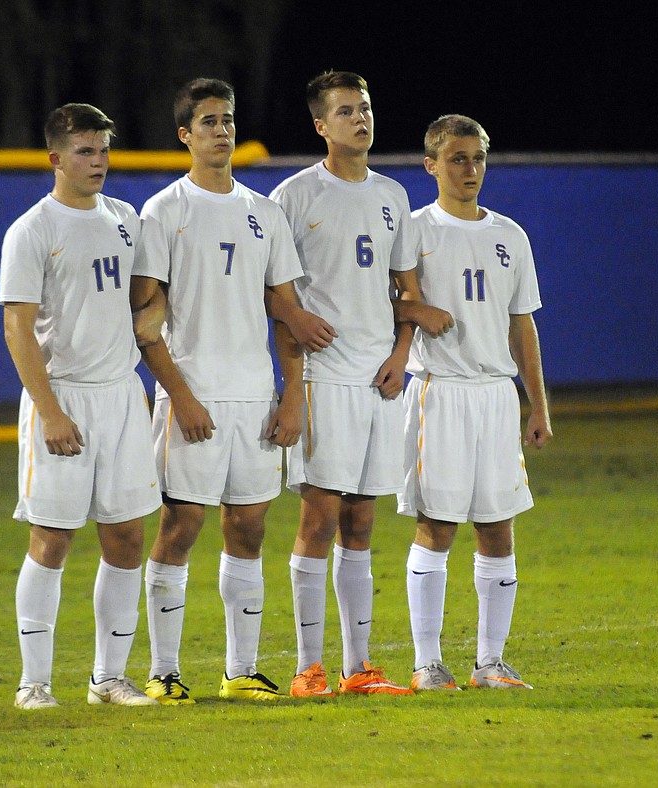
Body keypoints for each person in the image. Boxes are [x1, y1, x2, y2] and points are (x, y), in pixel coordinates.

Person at [269, 71, 453, 697]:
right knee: (319, 518)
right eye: (345, 111)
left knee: (363, 522)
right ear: (321, 126)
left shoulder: (392, 196)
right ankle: (306, 668)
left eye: (366, 108)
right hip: (325, 377)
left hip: (380, 379)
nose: (360, 119)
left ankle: (358, 668)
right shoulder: (293, 197)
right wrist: (292, 385)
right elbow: (280, 298)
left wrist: (403, 352)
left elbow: (408, 291)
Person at [131, 78, 313, 704]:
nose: (222, 130)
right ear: (185, 135)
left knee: (250, 528)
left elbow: (286, 314)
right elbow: (145, 320)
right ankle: (163, 671)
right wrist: (179, 395)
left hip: (255, 396)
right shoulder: (164, 211)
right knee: (181, 525)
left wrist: (293, 396)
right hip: (193, 396)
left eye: (228, 119)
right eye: (208, 121)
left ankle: (241, 670)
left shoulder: (265, 214)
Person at [0, 103, 162, 709]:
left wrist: (154, 315)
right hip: (61, 396)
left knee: (125, 538)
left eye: (103, 151)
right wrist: (50, 412)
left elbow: (153, 295)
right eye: (85, 152)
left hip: (121, 396)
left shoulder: (124, 219)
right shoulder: (33, 229)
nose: (98, 162)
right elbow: (17, 329)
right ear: (55, 158)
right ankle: (33, 684)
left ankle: (108, 680)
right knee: (52, 538)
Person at [397, 114, 552, 691]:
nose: (470, 170)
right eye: (457, 158)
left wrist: (536, 406)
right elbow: (380, 305)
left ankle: (489, 663)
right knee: (437, 526)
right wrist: (415, 313)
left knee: (497, 527)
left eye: (478, 158)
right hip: (440, 392)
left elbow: (522, 325)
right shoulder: (414, 231)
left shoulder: (510, 235)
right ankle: (426, 664)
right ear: (431, 165)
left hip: (494, 397)